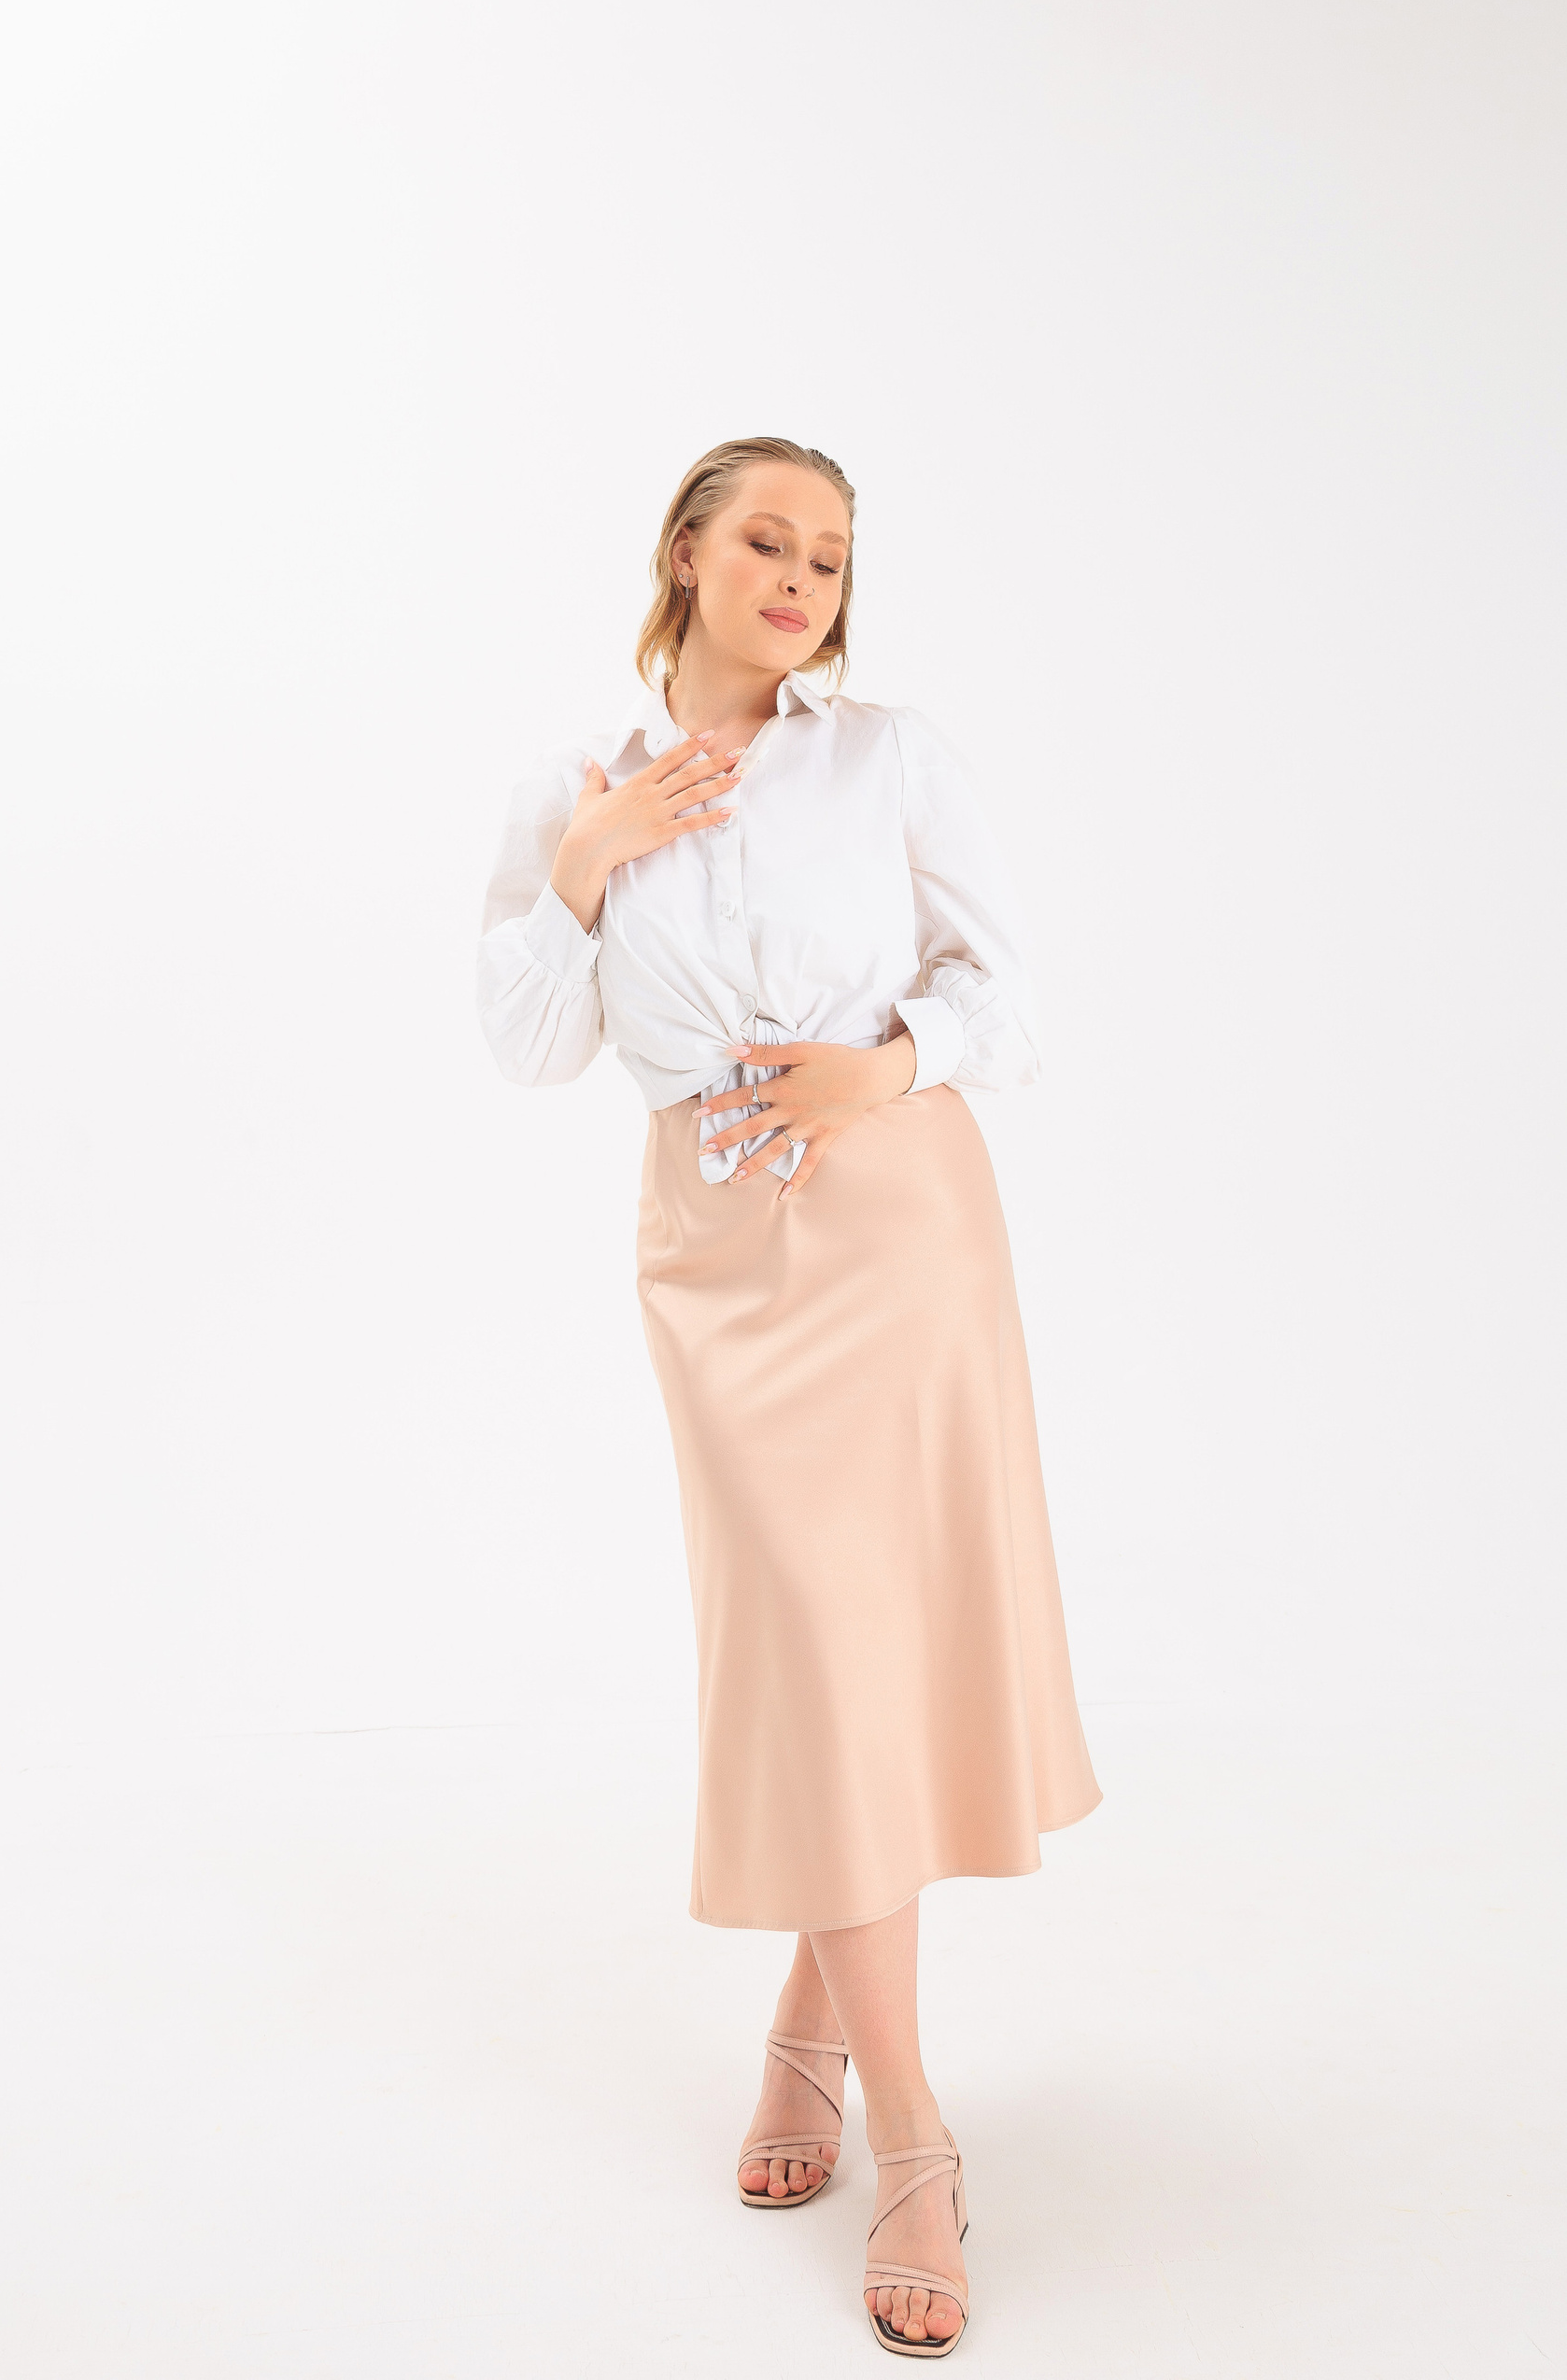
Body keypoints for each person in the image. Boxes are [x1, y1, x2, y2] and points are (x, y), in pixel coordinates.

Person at [475, 435, 1101, 2359]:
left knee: (878, 1649)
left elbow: (1009, 999)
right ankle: (855, 2066)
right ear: (685, 548)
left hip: (902, 1222)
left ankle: (886, 2109)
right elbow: (528, 1046)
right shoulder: (576, 784)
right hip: (717, 1253)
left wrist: (880, 1070)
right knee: (810, 1651)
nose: (799, 576)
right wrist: (588, 863)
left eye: (829, 555)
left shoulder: (884, 756)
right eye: (766, 538)